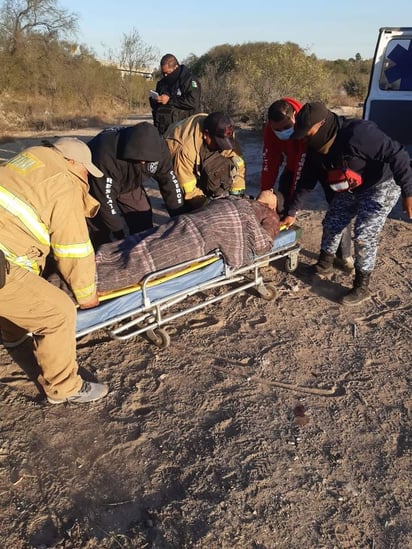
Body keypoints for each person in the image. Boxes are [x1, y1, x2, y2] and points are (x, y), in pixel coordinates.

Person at [0, 137, 109, 404]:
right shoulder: (64, 184)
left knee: (23, 287)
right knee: (58, 313)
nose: (85, 176)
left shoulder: (32, 156)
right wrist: (86, 296)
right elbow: (74, 248)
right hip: (4, 258)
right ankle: (63, 387)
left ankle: (12, 335)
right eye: (85, 169)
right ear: (72, 162)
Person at [290, 101, 412, 305]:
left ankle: (361, 286)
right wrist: (292, 210)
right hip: (352, 186)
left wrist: (409, 192)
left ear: (321, 124)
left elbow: (398, 154)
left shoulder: (359, 134)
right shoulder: (314, 146)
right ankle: (325, 263)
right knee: (332, 222)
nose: (305, 138)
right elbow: (307, 179)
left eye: (307, 132)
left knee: (364, 234)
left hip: (381, 185)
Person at [95, 193, 279, 294]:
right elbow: (263, 243)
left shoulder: (251, 204)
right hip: (195, 234)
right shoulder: (253, 206)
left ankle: (97, 269)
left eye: (270, 192)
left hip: (191, 227)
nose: (268, 190)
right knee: (151, 252)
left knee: (149, 245)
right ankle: (97, 278)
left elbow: (262, 241)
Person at [260, 97, 353, 272]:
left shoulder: (305, 124)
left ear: (295, 116)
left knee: (338, 206)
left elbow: (303, 172)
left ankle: (343, 255)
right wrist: (266, 190)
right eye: (277, 129)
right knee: (279, 201)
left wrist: (294, 210)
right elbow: (270, 161)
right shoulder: (270, 131)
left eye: (286, 127)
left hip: (324, 166)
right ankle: (280, 242)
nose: (282, 132)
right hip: (292, 166)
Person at [86, 122, 185, 247]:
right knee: (101, 226)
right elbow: (105, 200)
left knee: (142, 218)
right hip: (98, 182)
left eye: (147, 160)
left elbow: (170, 183)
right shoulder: (105, 154)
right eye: (138, 159)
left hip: (129, 182)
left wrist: (179, 219)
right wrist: (119, 234)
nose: (143, 162)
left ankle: (141, 248)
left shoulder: (161, 150)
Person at [164, 112, 246, 211]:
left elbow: (238, 162)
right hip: (173, 162)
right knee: (182, 210)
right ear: (206, 134)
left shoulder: (224, 131)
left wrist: (237, 196)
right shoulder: (185, 149)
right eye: (218, 143)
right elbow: (189, 191)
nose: (222, 148)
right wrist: (210, 207)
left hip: (198, 151)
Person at [150, 53, 201, 135]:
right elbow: (156, 107)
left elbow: (193, 101)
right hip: (163, 129)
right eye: (163, 73)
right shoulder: (162, 83)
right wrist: (155, 100)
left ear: (176, 67)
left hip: (184, 130)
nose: (165, 75)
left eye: (168, 73)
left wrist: (169, 100)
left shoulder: (189, 80)